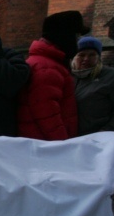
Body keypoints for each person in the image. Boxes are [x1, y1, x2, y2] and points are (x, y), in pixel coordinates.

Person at [17, 11, 89, 140]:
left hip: (42, 142)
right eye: (76, 36)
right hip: (46, 146)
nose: (78, 42)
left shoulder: (50, 63)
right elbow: (47, 114)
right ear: (64, 36)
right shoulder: (47, 68)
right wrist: (63, 144)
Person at [71, 36, 114, 135]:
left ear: (99, 57)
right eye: (81, 55)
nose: (86, 59)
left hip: (98, 139)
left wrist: (105, 132)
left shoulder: (111, 77)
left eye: (92, 55)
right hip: (68, 137)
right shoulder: (67, 75)